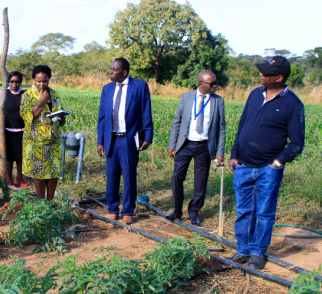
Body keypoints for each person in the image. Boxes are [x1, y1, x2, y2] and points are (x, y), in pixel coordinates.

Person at [228, 56, 305, 269]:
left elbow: (297, 143)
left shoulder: (292, 104)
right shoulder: (254, 94)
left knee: (264, 213)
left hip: (267, 169)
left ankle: (257, 253)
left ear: (279, 78)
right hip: (243, 166)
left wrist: (276, 164)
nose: (261, 75)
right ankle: (242, 249)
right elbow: (242, 126)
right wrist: (234, 153)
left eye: (266, 73)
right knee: (243, 211)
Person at [97, 58, 153, 225]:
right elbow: (102, 117)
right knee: (111, 177)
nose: (110, 72)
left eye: (114, 69)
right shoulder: (107, 89)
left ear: (124, 72)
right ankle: (113, 209)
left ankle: (128, 211)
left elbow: (146, 113)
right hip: (111, 139)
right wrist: (100, 141)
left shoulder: (140, 87)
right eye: (110, 69)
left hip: (129, 140)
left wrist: (148, 137)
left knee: (129, 177)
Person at [166, 70, 226, 226]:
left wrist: (220, 152)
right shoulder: (186, 97)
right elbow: (177, 122)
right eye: (211, 83)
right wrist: (172, 144)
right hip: (185, 144)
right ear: (201, 84)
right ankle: (177, 210)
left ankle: (193, 212)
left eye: (215, 83)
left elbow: (221, 129)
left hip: (204, 147)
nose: (214, 86)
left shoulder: (218, 101)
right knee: (177, 177)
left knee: (200, 182)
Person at [20, 65, 65, 200]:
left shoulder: (55, 94)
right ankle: (41, 202)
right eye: (38, 81)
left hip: (54, 139)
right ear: (34, 80)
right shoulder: (27, 96)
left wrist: (61, 117)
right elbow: (28, 116)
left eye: (44, 81)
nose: (41, 84)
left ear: (49, 79)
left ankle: (50, 201)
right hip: (36, 141)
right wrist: (42, 100)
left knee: (54, 171)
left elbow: (59, 116)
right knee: (39, 171)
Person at [0, 71, 27, 187]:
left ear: (20, 82)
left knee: (20, 156)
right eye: (12, 81)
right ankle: (9, 178)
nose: (14, 84)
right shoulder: (3, 93)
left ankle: (20, 177)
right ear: (8, 82)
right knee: (9, 156)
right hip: (8, 129)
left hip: (22, 129)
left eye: (17, 81)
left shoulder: (25, 94)